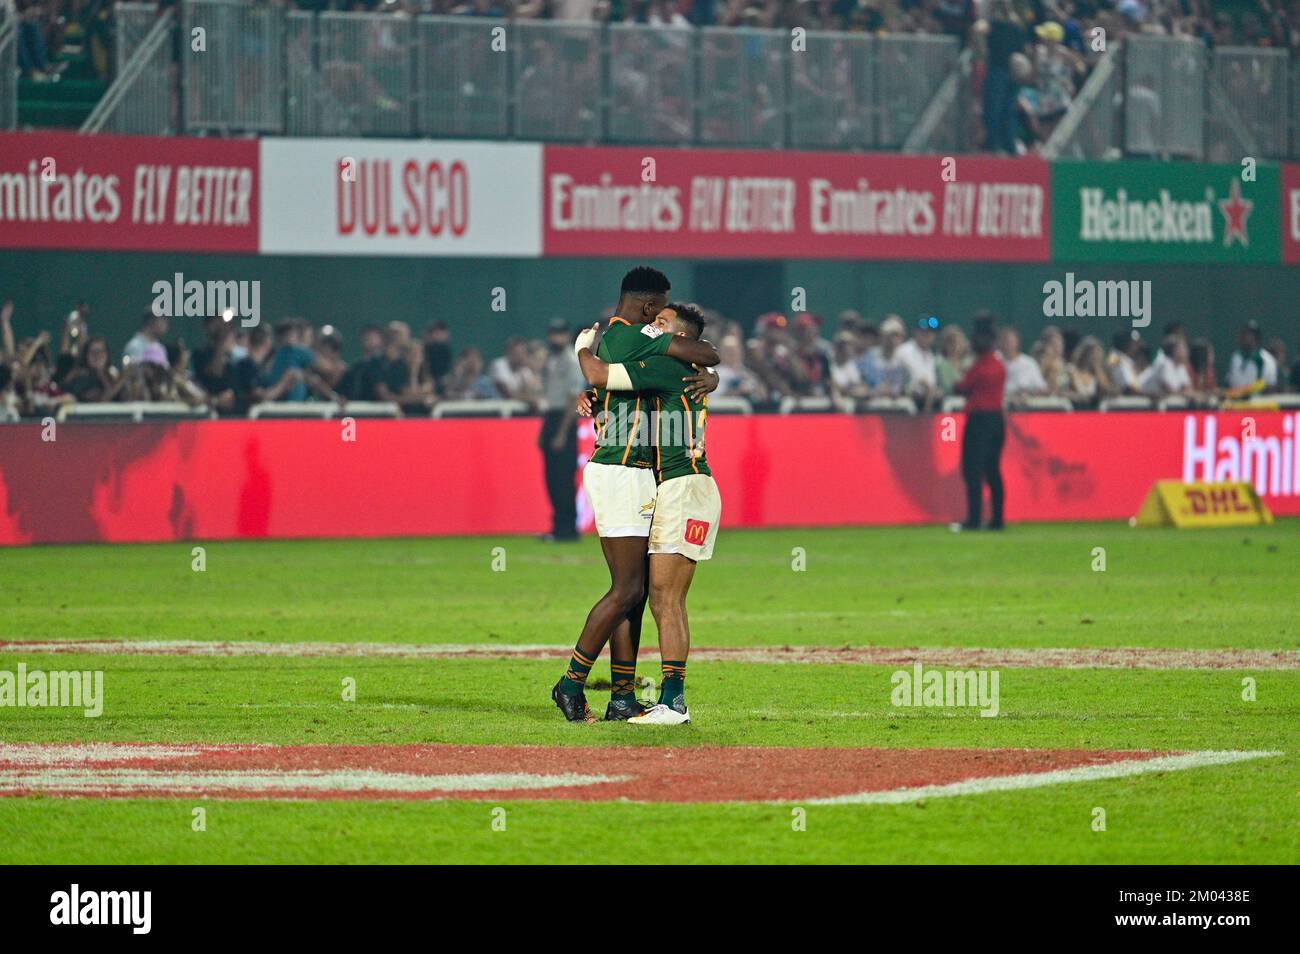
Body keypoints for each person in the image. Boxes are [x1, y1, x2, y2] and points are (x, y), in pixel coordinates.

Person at [551, 266, 719, 724]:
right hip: (623, 471)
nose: (658, 327)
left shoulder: (640, 345)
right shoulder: (633, 339)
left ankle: (622, 696)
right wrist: (582, 352)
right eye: (658, 317)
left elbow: (699, 358)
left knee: (638, 592)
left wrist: (708, 374)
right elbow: (601, 372)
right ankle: (571, 683)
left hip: (645, 475)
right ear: (647, 309)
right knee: (629, 588)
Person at [955, 318, 1007, 531]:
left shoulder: (981, 366)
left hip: (979, 421)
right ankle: (997, 519)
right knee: (993, 470)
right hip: (997, 420)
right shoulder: (999, 366)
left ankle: (974, 519)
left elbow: (963, 387)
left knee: (972, 470)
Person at [538, 320, 586, 543]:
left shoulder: (570, 361)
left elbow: (572, 400)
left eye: (560, 334)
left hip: (563, 420)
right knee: (551, 478)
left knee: (563, 478)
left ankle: (567, 528)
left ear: (567, 336)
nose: (555, 338)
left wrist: (561, 432)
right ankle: (558, 526)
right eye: (553, 334)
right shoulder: (551, 359)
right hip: (551, 416)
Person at [1226, 321, 1278, 393]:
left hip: (1259, 402)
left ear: (1256, 338)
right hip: (1236, 402)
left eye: (1249, 334)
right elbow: (1230, 382)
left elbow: (1270, 386)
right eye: (1243, 334)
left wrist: (1250, 390)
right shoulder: (1236, 357)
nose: (1244, 337)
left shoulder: (1267, 359)